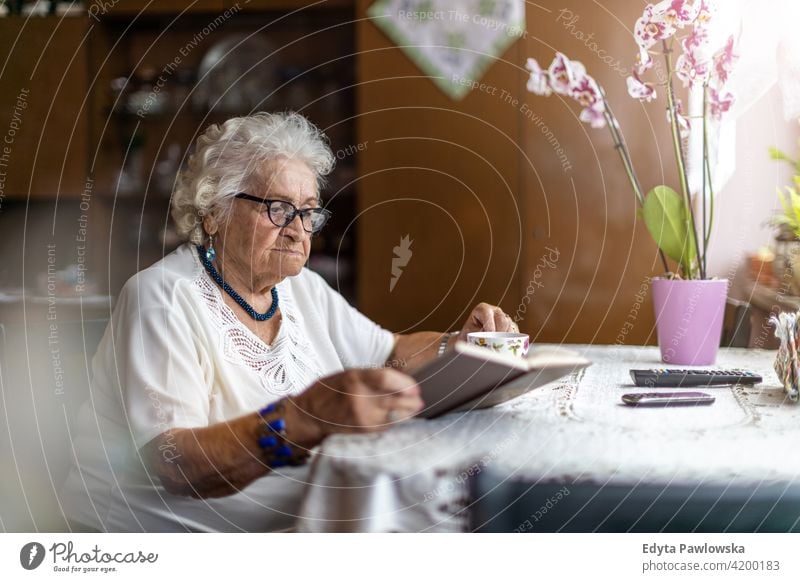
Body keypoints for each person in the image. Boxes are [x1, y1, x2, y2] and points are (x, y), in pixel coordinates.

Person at [61, 112, 520, 532]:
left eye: (308, 212)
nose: (298, 229)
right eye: (277, 208)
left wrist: (462, 345)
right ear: (213, 212)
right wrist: (304, 417)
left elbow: (391, 354)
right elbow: (176, 463)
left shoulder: (302, 290)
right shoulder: (162, 298)